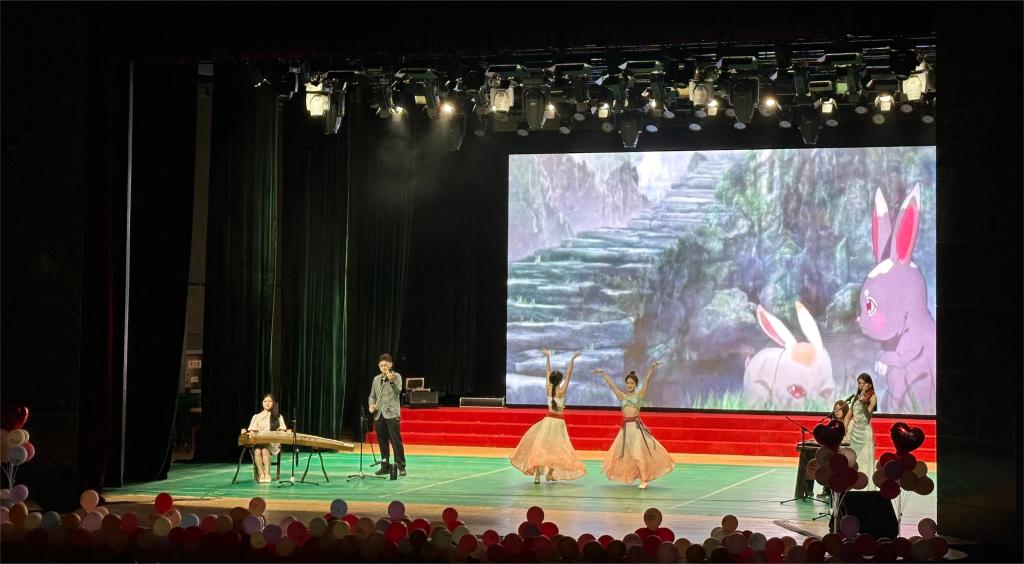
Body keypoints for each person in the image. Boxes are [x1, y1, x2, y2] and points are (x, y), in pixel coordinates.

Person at [509, 349, 587, 483]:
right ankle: (549, 473)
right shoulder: (561, 390)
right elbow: (569, 374)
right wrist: (572, 360)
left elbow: (547, 372)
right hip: (558, 423)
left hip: (547, 421)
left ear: (551, 380)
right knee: (555, 448)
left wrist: (548, 357)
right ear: (560, 380)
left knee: (541, 447)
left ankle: (538, 476)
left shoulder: (548, 388)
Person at [594, 362, 675, 489]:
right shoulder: (622, 396)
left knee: (638, 454)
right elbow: (612, 385)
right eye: (627, 383)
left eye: (632, 383)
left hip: (636, 429)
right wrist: (603, 373)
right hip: (626, 430)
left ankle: (644, 480)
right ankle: (637, 477)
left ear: (636, 384)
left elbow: (647, 381)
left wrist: (651, 368)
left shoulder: (639, 395)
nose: (629, 385)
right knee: (627, 455)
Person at [368, 353, 406, 477]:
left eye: (386, 365)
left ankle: (401, 466)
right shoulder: (376, 379)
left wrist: (391, 381)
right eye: (381, 365)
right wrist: (371, 405)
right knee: (382, 441)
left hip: (392, 414)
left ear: (390, 365)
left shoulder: (396, 377)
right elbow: (372, 396)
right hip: (379, 414)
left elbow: (398, 391)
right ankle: (385, 466)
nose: (383, 367)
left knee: (395, 441)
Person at [241, 393, 287, 483]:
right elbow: (252, 430)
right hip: (259, 443)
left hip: (272, 443)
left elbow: (282, 430)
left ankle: (267, 474)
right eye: (265, 401)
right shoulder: (256, 416)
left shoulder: (278, 417)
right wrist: (248, 432)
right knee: (257, 451)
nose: (267, 403)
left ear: (273, 403)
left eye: (270, 401)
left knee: (265, 450)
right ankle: (261, 474)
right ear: (262, 403)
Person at [845, 373, 878, 490]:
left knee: (865, 460)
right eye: (859, 383)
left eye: (864, 383)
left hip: (865, 433)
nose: (861, 385)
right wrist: (845, 427)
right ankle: (854, 486)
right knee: (855, 460)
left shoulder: (872, 397)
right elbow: (848, 415)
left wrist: (864, 404)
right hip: (855, 432)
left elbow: (868, 416)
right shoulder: (855, 398)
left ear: (869, 385)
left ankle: (866, 487)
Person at [815, 399, 851, 499]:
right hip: (831, 449)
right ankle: (826, 488)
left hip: (844, 449)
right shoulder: (831, 423)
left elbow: (848, 439)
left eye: (840, 409)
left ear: (845, 410)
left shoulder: (849, 422)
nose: (837, 411)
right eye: (835, 409)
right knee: (824, 458)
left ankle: (837, 488)